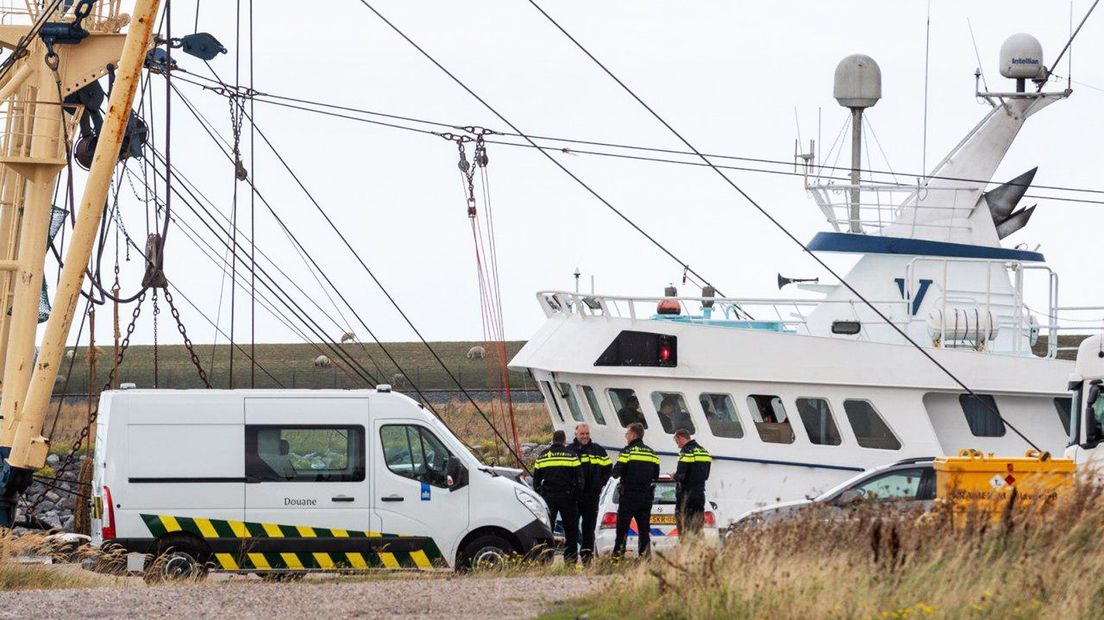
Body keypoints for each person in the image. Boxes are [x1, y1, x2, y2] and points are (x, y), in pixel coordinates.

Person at [532, 430, 583, 563]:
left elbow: (536, 480)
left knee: (547, 529)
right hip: (568, 498)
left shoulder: (543, 456)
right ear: (564, 440)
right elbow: (580, 480)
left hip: (549, 497)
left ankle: (545, 559)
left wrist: (541, 495)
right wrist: (575, 495)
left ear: (553, 440)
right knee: (571, 531)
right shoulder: (571, 455)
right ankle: (570, 560)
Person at [611, 422, 660, 559]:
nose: (626, 437)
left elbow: (616, 473)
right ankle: (645, 558)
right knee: (644, 531)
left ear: (633, 435)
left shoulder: (627, 452)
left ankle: (617, 558)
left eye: (627, 434)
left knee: (622, 530)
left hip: (628, 497)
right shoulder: (652, 453)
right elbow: (655, 475)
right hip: (645, 497)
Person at [570, 423, 611, 564]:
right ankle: (571, 560)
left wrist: (600, 484)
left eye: (587, 433)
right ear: (576, 434)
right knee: (572, 528)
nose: (585, 436)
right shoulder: (569, 451)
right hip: (574, 497)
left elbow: (608, 469)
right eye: (582, 434)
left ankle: (587, 558)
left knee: (589, 529)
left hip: (591, 496)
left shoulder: (598, 450)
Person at [672, 429, 711, 536]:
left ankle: (686, 550)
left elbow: (680, 475)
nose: (678, 445)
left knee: (684, 526)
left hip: (686, 495)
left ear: (680, 437)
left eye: (676, 441)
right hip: (699, 495)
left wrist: (673, 476)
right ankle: (698, 551)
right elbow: (706, 475)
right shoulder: (704, 452)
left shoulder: (686, 451)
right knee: (698, 527)